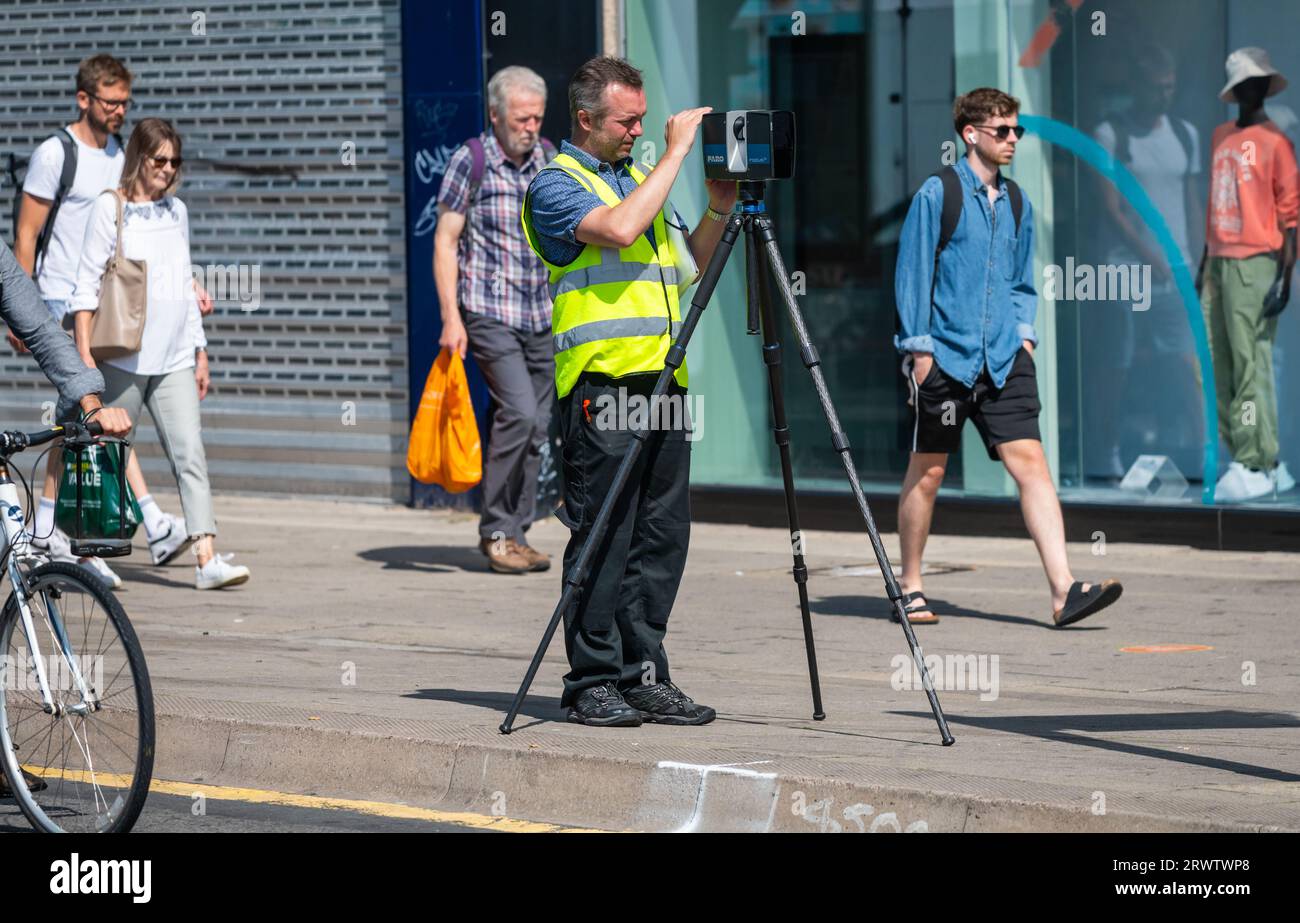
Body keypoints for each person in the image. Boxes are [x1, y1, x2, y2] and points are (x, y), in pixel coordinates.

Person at [522, 56, 735, 726]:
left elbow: (689, 266)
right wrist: (675, 151)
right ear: (584, 118)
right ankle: (591, 680)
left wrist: (719, 205)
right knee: (605, 536)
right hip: (602, 385)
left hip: (664, 381)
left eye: (643, 119)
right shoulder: (555, 186)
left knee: (660, 537)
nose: (638, 130)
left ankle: (644, 674)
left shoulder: (642, 178)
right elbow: (616, 229)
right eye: (626, 120)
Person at [894, 87, 1123, 628]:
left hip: (1004, 358)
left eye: (1017, 130)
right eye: (1003, 130)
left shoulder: (1018, 200)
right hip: (944, 357)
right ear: (971, 134)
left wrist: (1025, 335)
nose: (1013, 139)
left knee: (1033, 468)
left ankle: (1065, 590)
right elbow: (912, 274)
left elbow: (1023, 280)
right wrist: (919, 351)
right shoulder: (938, 194)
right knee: (928, 473)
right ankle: (910, 585)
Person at [6, 54, 199, 586]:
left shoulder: (119, 155)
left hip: (98, 303)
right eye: (110, 102)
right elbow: (26, 233)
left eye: (124, 104)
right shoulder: (55, 154)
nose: (118, 112)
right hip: (52, 304)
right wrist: (18, 312)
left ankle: (57, 530)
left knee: (83, 412)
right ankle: (111, 524)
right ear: (84, 99)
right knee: (85, 408)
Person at [69, 118, 250, 591]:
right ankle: (89, 555)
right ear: (138, 158)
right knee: (105, 458)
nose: (168, 170)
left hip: (173, 360)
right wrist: (83, 358)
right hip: (122, 361)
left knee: (191, 453)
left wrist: (200, 351)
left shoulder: (177, 212)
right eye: (159, 160)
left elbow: (184, 283)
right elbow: (85, 288)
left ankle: (206, 558)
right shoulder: (111, 208)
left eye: (174, 162)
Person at [434, 66, 555, 575]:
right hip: (490, 312)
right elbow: (445, 239)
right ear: (495, 115)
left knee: (538, 426)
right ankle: (497, 529)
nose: (530, 127)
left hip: (542, 314)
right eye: (521, 118)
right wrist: (450, 318)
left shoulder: (549, 157)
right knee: (521, 414)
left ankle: (516, 529)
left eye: (537, 118)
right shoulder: (472, 160)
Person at [1088, 46, 1204, 479]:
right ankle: (1106, 450)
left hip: (1178, 270)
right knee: (1117, 363)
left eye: (1169, 87)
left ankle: (1201, 447)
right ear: (1136, 87)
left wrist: (1198, 257)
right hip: (1123, 271)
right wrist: (1149, 255)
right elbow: (1110, 208)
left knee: (1184, 361)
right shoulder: (1110, 133)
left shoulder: (1184, 133)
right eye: (1156, 88)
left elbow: (1190, 200)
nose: (1163, 96)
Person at [1196, 48, 1299, 503]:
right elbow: (1215, 205)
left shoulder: (1277, 141)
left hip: (1257, 259)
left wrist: (1286, 276)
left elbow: (1290, 212)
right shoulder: (1220, 136)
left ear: (1263, 87)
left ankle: (1258, 459)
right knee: (1213, 364)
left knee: (1250, 362)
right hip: (1219, 258)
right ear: (1236, 90)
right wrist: (1203, 267)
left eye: (1258, 82)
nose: (1251, 89)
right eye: (1244, 82)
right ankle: (1246, 454)